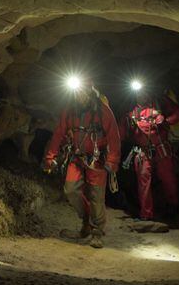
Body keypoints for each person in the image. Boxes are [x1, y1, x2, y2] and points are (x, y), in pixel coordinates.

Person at [44, 76, 121, 248]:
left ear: (90, 92)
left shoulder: (102, 111)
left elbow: (113, 136)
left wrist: (112, 160)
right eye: (77, 92)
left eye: (82, 92)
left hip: (97, 159)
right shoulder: (70, 110)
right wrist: (51, 156)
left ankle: (96, 231)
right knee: (70, 190)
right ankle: (86, 222)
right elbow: (59, 133)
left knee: (96, 196)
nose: (80, 96)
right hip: (77, 157)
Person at [119, 85, 179, 221]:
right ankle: (146, 214)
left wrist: (167, 121)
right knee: (143, 179)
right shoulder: (130, 113)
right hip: (142, 151)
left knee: (167, 178)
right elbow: (121, 134)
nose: (141, 95)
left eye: (143, 92)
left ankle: (172, 206)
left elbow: (178, 112)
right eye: (138, 93)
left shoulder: (160, 102)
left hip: (162, 149)